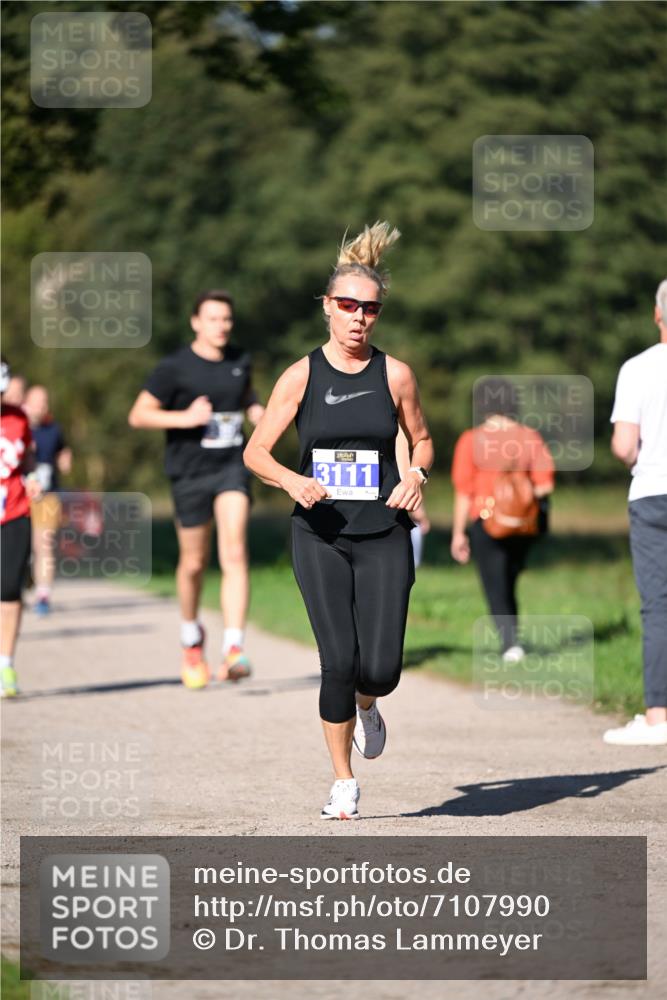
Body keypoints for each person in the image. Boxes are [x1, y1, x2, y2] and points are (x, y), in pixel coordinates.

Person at [244, 222, 434, 820]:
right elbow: (255, 452)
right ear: (327, 307)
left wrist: (415, 476)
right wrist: (291, 480)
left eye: (369, 309)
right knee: (339, 660)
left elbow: (423, 440)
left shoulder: (395, 374)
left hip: (383, 533)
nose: (358, 317)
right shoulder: (301, 376)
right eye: (347, 305)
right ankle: (343, 781)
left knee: (381, 669)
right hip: (319, 533)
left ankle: (369, 707)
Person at [128, 290, 264, 689]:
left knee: (235, 550)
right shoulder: (174, 367)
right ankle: (191, 638)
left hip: (231, 468)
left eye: (226, 319)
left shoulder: (240, 360)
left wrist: (264, 416)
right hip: (189, 474)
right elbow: (139, 415)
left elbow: (248, 402)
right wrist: (185, 417)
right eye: (213, 319)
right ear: (195, 322)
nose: (221, 326)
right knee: (193, 563)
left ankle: (234, 648)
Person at [603, 279, 667, 746]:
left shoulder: (638, 368)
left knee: (659, 605)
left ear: (656, 314)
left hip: (653, 494)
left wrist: (635, 455)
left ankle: (659, 715)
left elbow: (625, 446)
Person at [450, 379, 555, 661]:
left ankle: (510, 644)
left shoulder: (470, 440)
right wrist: (520, 493)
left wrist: (458, 533)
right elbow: (545, 485)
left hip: (486, 520)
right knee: (509, 576)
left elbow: (464, 492)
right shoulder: (530, 437)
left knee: (495, 581)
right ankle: (513, 639)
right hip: (524, 524)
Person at [1, 358, 42, 697]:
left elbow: (27, 457)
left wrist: (32, 477)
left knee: (10, 589)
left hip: (14, 511)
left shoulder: (18, 418)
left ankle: (6, 665)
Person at [23, 385, 72, 615]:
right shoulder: (12, 425)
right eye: (38, 401)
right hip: (17, 495)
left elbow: (62, 451)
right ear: (26, 401)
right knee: (22, 546)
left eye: (45, 401)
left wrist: (65, 459)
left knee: (44, 544)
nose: (42, 406)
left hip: (47, 495)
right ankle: (23, 579)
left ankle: (43, 595)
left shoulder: (54, 429)